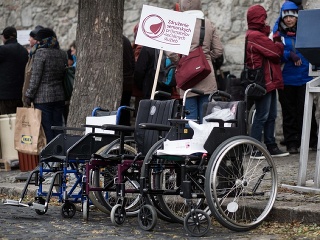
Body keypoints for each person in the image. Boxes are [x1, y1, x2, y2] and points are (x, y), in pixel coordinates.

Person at [245, 5, 289, 159]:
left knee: (271, 115)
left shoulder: (258, 35)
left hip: (269, 80)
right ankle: (255, 148)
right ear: (259, 19)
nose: (266, 20)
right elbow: (275, 52)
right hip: (263, 81)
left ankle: (271, 146)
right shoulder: (255, 36)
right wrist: (277, 40)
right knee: (262, 115)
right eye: (264, 17)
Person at [274, 1, 318, 154]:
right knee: (289, 113)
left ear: (297, 17)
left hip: (304, 77)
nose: (289, 20)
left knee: (307, 110)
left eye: (292, 16)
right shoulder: (278, 33)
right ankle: (292, 143)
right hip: (286, 78)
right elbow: (274, 50)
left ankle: (312, 141)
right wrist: (288, 55)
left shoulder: (305, 31)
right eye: (286, 17)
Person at [175, 0, 223, 122]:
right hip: (206, 74)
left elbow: (171, 53)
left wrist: (181, 62)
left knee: (190, 119)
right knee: (206, 118)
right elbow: (218, 51)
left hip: (187, 76)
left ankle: (190, 141)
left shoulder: (179, 24)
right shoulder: (208, 24)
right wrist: (204, 59)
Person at [24, 28, 67, 143]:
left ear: (44, 40)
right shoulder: (62, 53)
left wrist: (28, 95)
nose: (37, 43)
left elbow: (35, 77)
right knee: (58, 127)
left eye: (38, 40)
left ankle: (50, 157)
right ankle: (60, 154)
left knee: (47, 130)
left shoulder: (40, 53)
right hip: (59, 96)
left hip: (43, 99)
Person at [0, 26, 28, 114]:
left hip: (5, 96)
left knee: (6, 123)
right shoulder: (24, 51)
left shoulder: (3, 50)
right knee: (18, 122)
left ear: (5, 36)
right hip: (20, 94)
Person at [22, 25, 44, 107]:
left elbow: (33, 76)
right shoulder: (32, 53)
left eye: (30, 37)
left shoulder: (37, 54)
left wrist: (28, 96)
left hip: (36, 98)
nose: (28, 40)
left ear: (36, 40)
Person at [120, 35, 135, 126]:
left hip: (122, 82)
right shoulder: (126, 40)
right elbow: (133, 63)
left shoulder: (117, 40)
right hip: (127, 81)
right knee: (125, 112)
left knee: (120, 113)